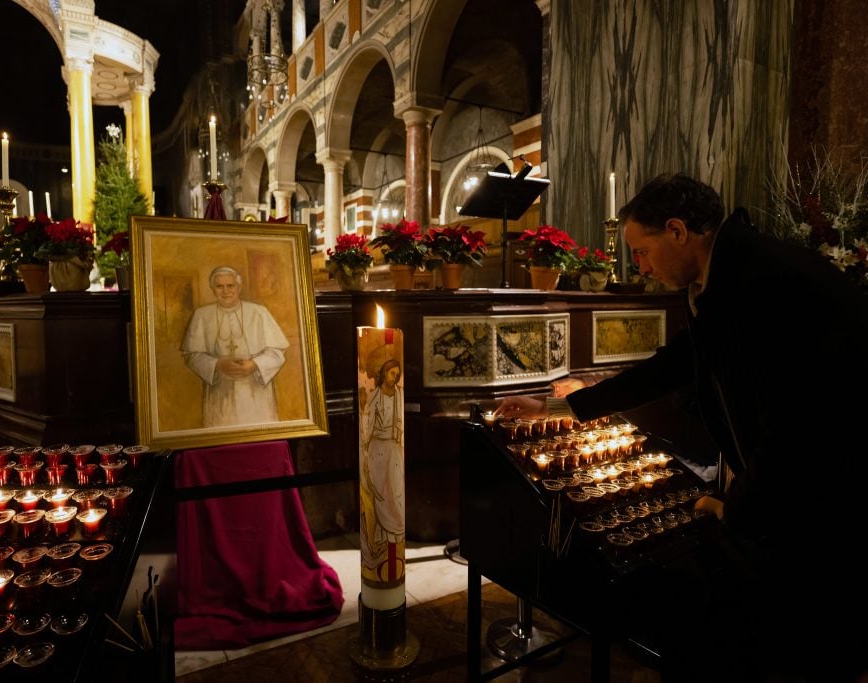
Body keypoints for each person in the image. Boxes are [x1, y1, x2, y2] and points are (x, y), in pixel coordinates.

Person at [497, 173, 868, 682]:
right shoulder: (729, 273)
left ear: (676, 230)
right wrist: (552, 407)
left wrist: (739, 508)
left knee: (809, 639)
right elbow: (674, 364)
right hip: (808, 483)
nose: (641, 266)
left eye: (642, 251)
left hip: (834, 488)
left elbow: (798, 427)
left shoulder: (765, 281)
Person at [181, 265, 290, 428]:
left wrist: (254, 365)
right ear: (212, 289)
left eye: (230, 286)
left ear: (238, 287)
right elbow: (192, 355)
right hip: (220, 391)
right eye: (219, 286)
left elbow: (277, 352)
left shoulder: (259, 312)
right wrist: (217, 364)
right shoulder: (202, 315)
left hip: (256, 391)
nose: (225, 291)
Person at [359, 358, 405, 582]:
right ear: (383, 374)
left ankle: (395, 532)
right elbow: (366, 426)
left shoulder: (399, 395)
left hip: (393, 448)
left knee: (395, 492)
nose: (394, 377)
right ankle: (383, 536)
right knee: (380, 493)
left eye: (397, 373)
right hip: (377, 448)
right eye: (391, 373)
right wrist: (365, 453)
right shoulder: (375, 397)